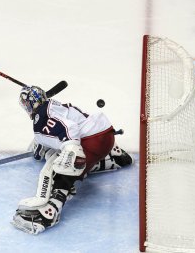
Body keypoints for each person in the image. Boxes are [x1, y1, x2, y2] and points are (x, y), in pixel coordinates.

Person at [11, 85, 133, 235]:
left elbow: (68, 128)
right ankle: (115, 157)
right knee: (78, 161)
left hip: (92, 142)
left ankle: (49, 213)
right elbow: (72, 124)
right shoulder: (54, 105)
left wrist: (70, 148)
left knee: (61, 169)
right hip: (106, 137)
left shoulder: (40, 118)